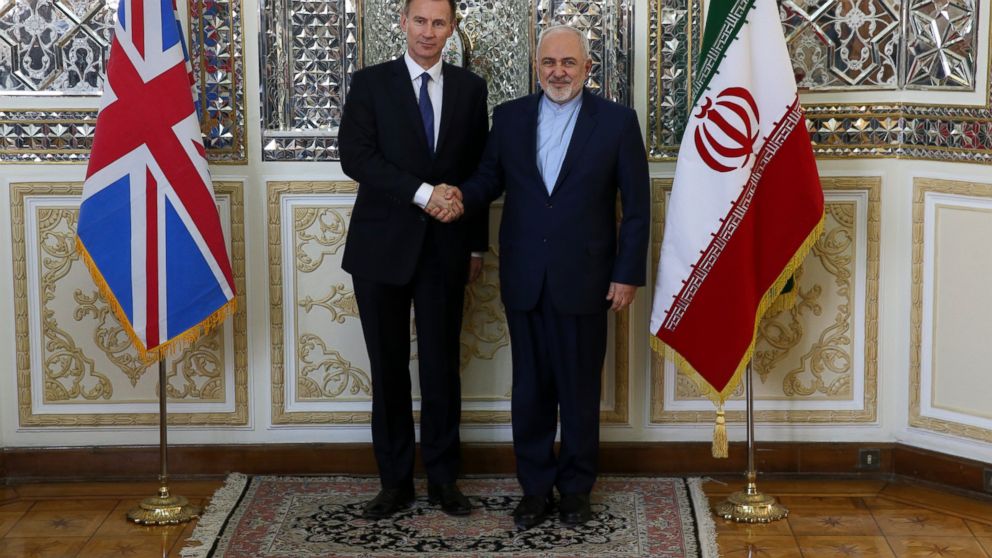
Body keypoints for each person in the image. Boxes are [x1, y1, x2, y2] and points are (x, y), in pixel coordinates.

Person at [432, 25, 650, 529]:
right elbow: (489, 178)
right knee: (530, 391)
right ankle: (534, 490)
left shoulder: (617, 122)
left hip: (587, 278)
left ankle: (575, 490)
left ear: (587, 68)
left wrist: (627, 275)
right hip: (525, 274)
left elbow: (637, 209)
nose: (558, 72)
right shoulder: (510, 117)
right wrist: (459, 196)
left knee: (578, 390)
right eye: (549, 62)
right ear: (537, 67)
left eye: (569, 63)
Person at [338, 0, 489, 519]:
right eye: (419, 21)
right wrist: (424, 194)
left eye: (438, 22)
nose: (428, 31)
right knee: (388, 369)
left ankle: (444, 480)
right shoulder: (370, 83)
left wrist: (475, 245)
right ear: (403, 23)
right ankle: (395, 482)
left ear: (452, 29)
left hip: (446, 250)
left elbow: (477, 169)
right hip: (380, 250)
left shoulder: (471, 89)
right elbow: (356, 157)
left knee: (442, 368)